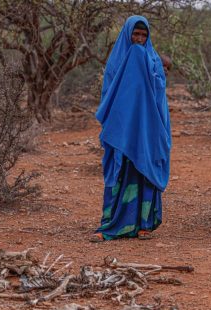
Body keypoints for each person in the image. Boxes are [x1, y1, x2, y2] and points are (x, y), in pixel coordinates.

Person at [90, 15, 171, 242]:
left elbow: (159, 97)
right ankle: (111, 224)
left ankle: (145, 223)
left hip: (147, 130)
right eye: (135, 34)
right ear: (127, 34)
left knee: (144, 168)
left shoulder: (154, 61)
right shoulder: (116, 61)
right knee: (120, 170)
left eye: (144, 35)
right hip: (122, 130)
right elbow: (109, 95)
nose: (139, 39)